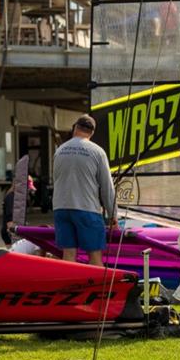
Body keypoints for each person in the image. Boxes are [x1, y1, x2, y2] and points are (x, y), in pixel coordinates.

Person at [52, 114, 116, 266]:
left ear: (75, 128)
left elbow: (56, 179)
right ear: (92, 133)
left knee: (68, 256)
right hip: (87, 209)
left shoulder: (59, 151)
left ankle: (70, 289)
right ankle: (99, 289)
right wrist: (113, 214)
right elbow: (107, 186)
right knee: (94, 257)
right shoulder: (97, 152)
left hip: (61, 208)